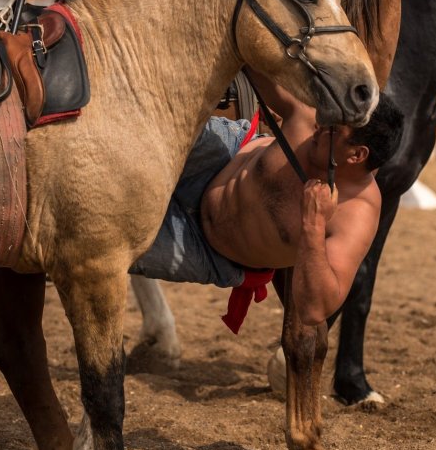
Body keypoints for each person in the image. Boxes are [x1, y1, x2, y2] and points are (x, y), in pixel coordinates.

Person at [129, 72, 403, 333]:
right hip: (221, 156)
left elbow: (314, 310)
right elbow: (256, 65)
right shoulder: (308, 121)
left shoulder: (357, 213)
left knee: (103, 247)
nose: (320, 123)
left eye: (334, 129)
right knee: (133, 123)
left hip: (208, 251)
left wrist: (313, 225)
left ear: (356, 155)